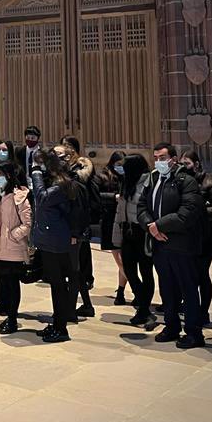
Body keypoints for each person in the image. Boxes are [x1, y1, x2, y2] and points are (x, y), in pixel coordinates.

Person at [137, 142, 204, 349]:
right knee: (167, 288)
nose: (159, 162)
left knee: (188, 288)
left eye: (163, 158)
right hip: (159, 243)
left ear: (173, 159)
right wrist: (150, 226)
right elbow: (141, 206)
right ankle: (171, 326)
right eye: (156, 158)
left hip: (180, 244)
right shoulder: (154, 178)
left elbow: (187, 212)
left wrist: (159, 225)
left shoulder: (186, 180)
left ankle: (193, 332)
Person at [31, 149, 75, 343]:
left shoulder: (62, 184)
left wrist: (36, 174)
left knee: (58, 286)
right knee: (55, 285)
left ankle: (61, 328)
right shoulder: (56, 182)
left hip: (56, 241)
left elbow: (41, 198)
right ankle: (58, 323)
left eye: (40, 165)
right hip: (50, 239)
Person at [180, 150, 212, 329]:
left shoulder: (210, 184)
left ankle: (203, 311)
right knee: (187, 276)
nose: (184, 168)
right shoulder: (181, 182)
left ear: (197, 164)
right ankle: (190, 308)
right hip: (186, 236)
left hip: (206, 236)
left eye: (188, 164)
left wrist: (195, 211)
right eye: (182, 164)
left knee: (202, 276)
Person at [0, 160, 32, 335]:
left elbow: (27, 223)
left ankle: (12, 319)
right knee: (3, 284)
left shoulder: (19, 196)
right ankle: (7, 314)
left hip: (12, 247)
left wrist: (12, 235)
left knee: (13, 285)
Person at [54, 139, 95, 319]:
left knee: (74, 269)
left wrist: (74, 232)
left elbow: (77, 207)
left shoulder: (78, 173)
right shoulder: (63, 174)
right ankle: (86, 305)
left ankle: (70, 310)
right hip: (68, 229)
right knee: (74, 269)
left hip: (75, 229)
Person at [113, 154, 156, 329]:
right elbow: (119, 211)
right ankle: (143, 306)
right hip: (127, 231)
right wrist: (116, 236)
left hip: (143, 231)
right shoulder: (126, 182)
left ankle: (143, 309)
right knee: (128, 269)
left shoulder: (149, 182)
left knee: (146, 271)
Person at [97, 150, 129, 306]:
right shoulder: (103, 177)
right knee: (121, 261)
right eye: (118, 165)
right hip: (110, 221)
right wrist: (114, 197)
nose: (120, 168)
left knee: (126, 260)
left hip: (126, 221)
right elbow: (96, 196)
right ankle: (136, 290)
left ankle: (121, 291)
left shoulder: (129, 177)